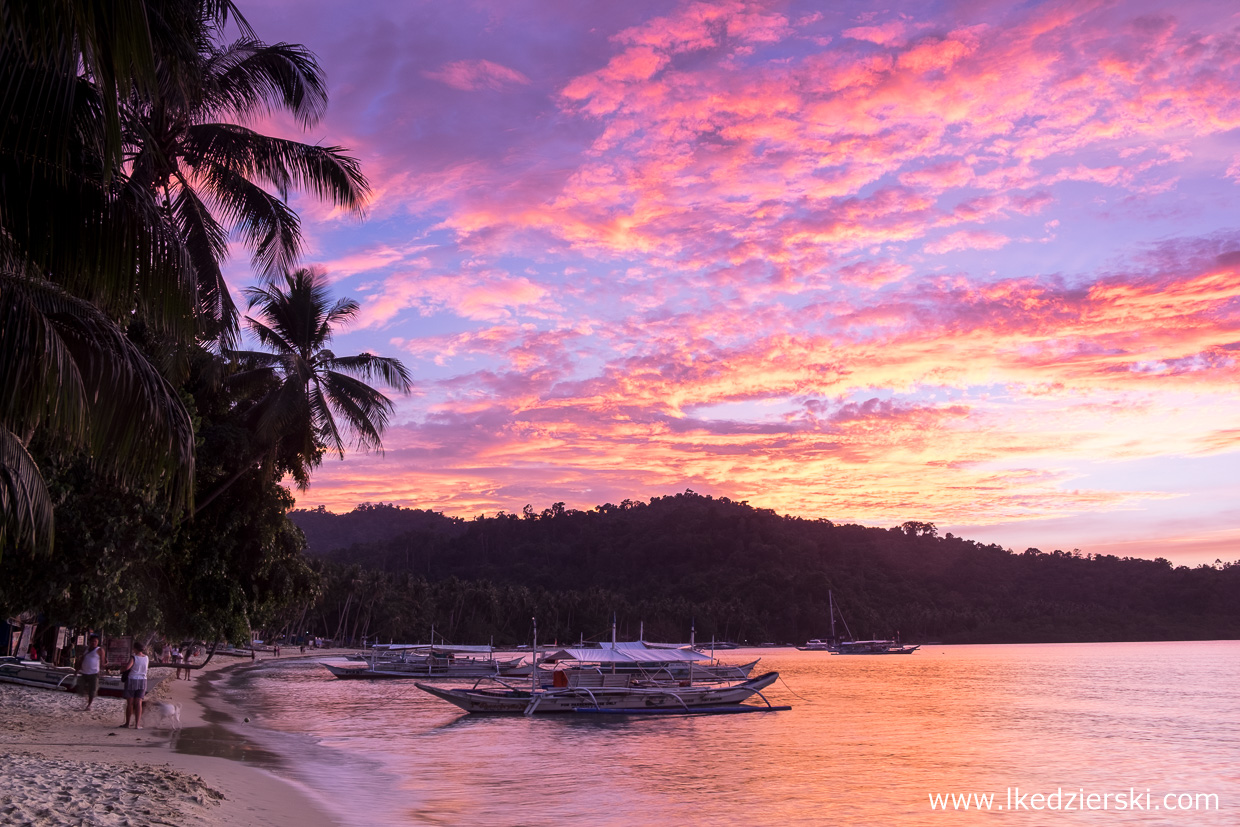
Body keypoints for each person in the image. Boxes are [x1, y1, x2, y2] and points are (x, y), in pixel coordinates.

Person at [121, 642, 150, 729]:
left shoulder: (134, 657)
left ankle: (127, 724)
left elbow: (127, 667)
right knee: (139, 703)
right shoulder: (146, 658)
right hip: (143, 680)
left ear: (135, 649)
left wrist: (121, 669)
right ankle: (137, 724)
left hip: (132, 680)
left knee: (130, 703)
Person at [75, 635, 105, 710]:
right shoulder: (86, 649)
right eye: (92, 641)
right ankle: (86, 699)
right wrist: (77, 670)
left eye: (96, 641)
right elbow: (81, 660)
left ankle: (89, 705)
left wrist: (102, 671)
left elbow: (102, 662)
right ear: (89, 642)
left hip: (94, 673)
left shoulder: (100, 650)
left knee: (93, 690)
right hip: (84, 672)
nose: (94, 643)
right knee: (81, 689)